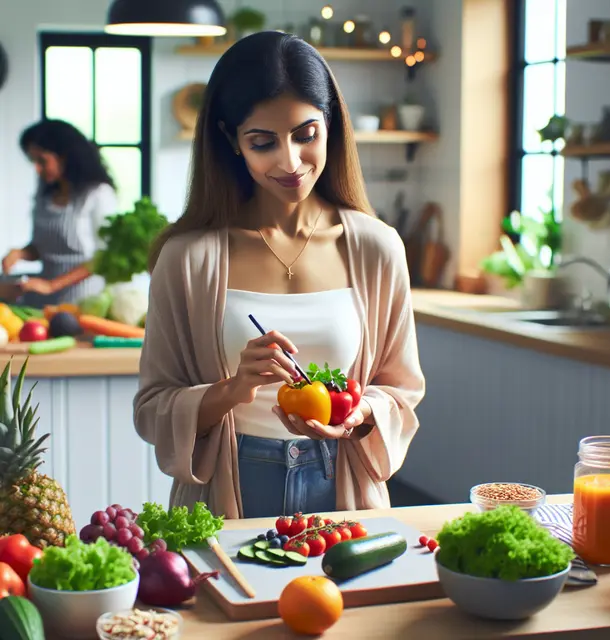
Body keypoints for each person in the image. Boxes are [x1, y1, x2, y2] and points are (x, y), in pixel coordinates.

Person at [133, 31, 425, 519]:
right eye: (263, 142)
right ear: (231, 141)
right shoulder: (187, 258)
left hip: (343, 487)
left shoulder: (377, 248)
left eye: (306, 135)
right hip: (227, 492)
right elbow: (152, 406)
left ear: (330, 123)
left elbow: (401, 390)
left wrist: (359, 413)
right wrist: (231, 389)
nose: (290, 163)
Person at [1, 119, 118, 306]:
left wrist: (53, 285)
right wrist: (21, 253)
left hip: (83, 300)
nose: (37, 169)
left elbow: (104, 257)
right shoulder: (45, 194)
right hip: (44, 299)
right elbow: (43, 247)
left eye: (42, 160)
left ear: (65, 156)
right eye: (33, 161)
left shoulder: (98, 194)